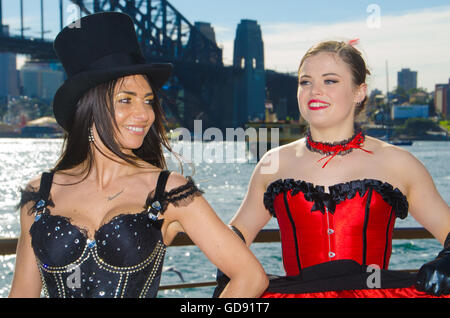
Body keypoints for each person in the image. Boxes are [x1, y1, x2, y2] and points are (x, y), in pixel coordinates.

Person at [8, 12, 268, 298]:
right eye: (125, 99)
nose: (144, 114)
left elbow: (250, 277)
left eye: (147, 101)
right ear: (89, 105)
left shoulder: (169, 191)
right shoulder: (39, 193)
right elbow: (21, 294)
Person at [216, 40, 450, 298]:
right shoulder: (273, 163)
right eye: (305, 81)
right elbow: (238, 234)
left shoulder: (399, 163)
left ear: (360, 92)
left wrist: (446, 262)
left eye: (330, 81)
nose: (314, 91)